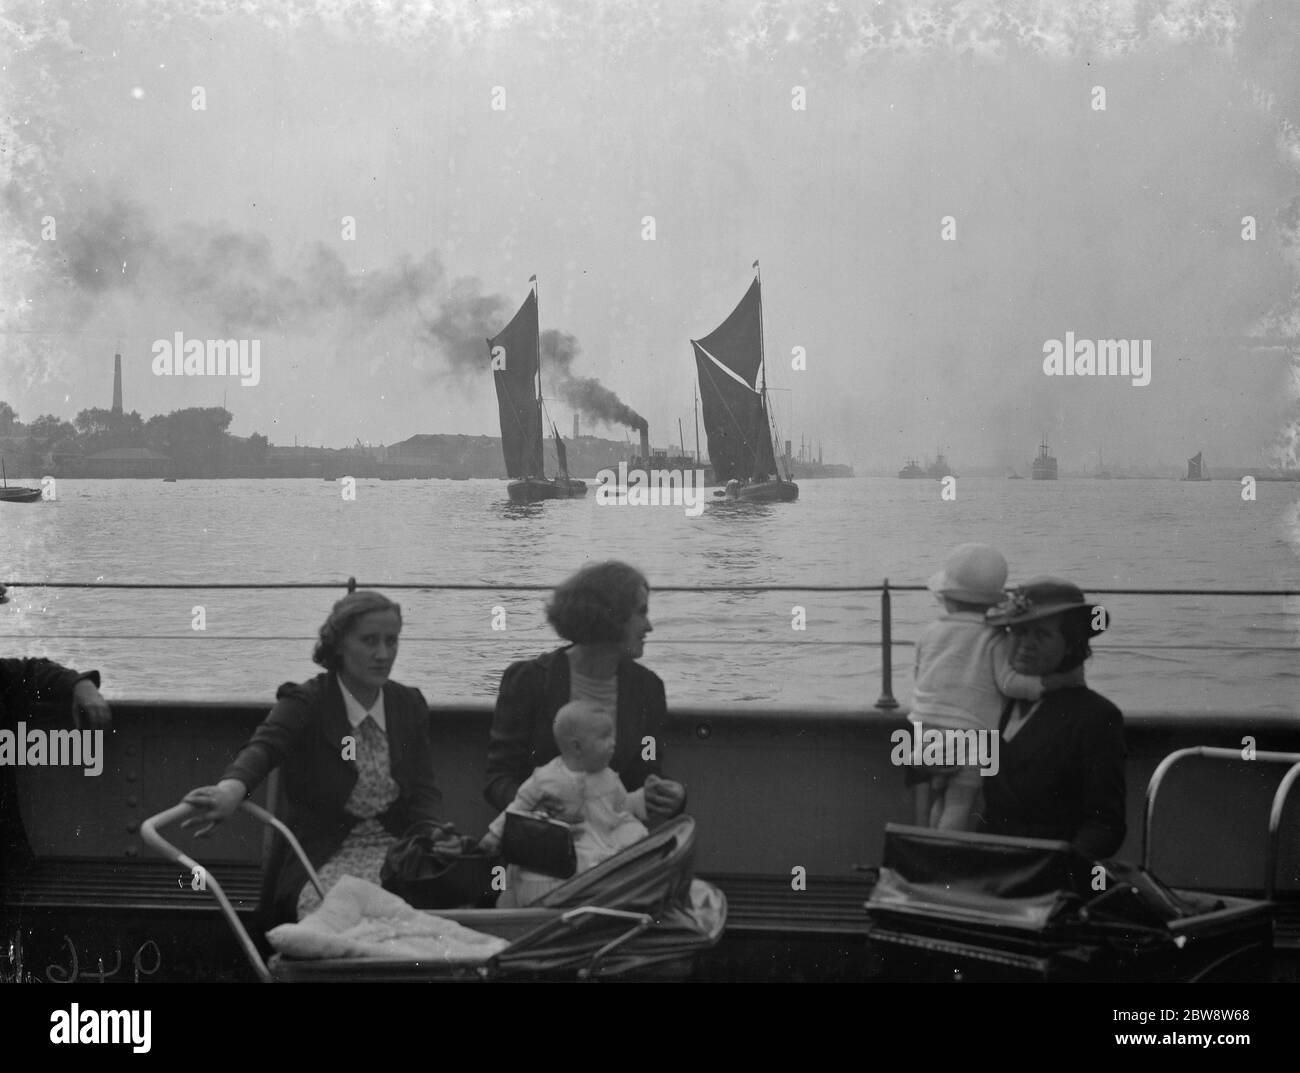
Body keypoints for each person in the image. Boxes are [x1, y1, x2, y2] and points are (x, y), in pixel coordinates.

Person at [181, 590, 452, 922]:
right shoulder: (306, 702)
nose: (383, 654)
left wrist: (435, 834)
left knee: (446, 909)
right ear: (339, 645)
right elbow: (264, 747)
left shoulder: (407, 705)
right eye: (369, 641)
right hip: (322, 857)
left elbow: (423, 790)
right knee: (344, 920)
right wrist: (230, 789)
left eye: (391, 641)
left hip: (399, 854)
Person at [484, 560, 686, 823]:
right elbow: (499, 778)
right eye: (641, 612)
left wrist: (671, 794)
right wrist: (538, 810)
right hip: (544, 843)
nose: (649, 626)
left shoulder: (647, 689)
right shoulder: (530, 681)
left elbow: (645, 768)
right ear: (611, 615)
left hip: (612, 840)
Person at [910, 544, 1081, 830]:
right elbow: (1010, 683)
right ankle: (948, 865)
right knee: (960, 803)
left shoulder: (929, 634)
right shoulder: (993, 637)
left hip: (924, 730)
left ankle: (931, 856)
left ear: (946, 599)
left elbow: (920, 676)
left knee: (939, 799)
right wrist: (1055, 683)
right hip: (970, 735)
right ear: (993, 602)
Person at [975, 578, 1126, 859]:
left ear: (1071, 645)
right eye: (1018, 631)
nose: (1024, 644)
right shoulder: (995, 703)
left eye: (1041, 635)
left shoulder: (1095, 717)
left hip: (1049, 876)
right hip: (992, 867)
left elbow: (1105, 826)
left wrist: (1058, 867)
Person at [480, 700, 649, 906]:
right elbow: (517, 807)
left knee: (634, 836)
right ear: (577, 746)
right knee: (570, 864)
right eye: (605, 737)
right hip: (561, 843)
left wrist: (641, 799)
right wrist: (494, 834)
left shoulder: (609, 777)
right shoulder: (545, 779)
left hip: (603, 834)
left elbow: (621, 807)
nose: (613, 742)